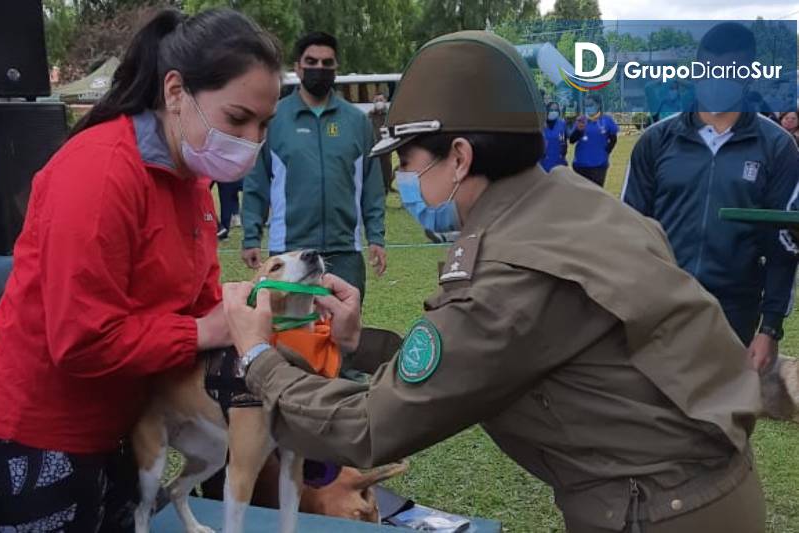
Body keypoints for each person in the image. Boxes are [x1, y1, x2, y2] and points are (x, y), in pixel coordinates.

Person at [223, 31, 765, 533]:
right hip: (705, 491)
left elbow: (370, 427)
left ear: (459, 157)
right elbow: (483, 358)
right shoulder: (575, 204)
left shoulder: (508, 271)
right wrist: (356, 343)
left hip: (657, 513)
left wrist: (257, 359)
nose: (406, 180)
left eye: (408, 161)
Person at [0, 9, 281, 531]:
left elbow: (194, 302)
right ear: (175, 91)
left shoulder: (192, 180)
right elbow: (80, 340)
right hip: (40, 433)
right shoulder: (101, 172)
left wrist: (265, 313)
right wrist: (205, 328)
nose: (250, 141)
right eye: (238, 119)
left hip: (124, 422)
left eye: (263, 125)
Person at [622, 22, 799, 370]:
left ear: (749, 75)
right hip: (660, 305)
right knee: (654, 412)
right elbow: (627, 229)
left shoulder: (778, 147)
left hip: (735, 309)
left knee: (722, 418)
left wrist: (771, 327)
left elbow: (784, 242)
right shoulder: (656, 141)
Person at [241, 31, 387, 300]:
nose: (319, 68)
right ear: (297, 67)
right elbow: (256, 181)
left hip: (344, 251)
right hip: (289, 250)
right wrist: (251, 236)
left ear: (335, 68)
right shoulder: (275, 119)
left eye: (327, 63)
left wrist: (376, 236)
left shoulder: (357, 122)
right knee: (288, 331)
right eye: (312, 61)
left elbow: (372, 185)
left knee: (342, 332)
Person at [569, 94, 618, 187]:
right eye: (586, 105)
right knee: (582, 195)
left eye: (591, 105)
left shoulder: (607, 120)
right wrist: (578, 131)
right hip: (580, 165)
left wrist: (606, 151)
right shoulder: (581, 120)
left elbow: (613, 139)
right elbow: (572, 140)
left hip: (599, 166)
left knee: (596, 195)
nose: (588, 108)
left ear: (598, 105)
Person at [369, 93, 395, 194]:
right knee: (374, 169)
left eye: (381, 100)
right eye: (376, 100)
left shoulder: (389, 115)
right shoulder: (369, 115)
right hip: (373, 147)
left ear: (385, 101)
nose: (379, 102)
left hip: (386, 146)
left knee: (386, 168)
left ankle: (387, 186)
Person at [540, 101, 567, 171]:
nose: (554, 112)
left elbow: (563, 142)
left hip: (558, 163)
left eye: (556, 110)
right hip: (543, 164)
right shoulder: (541, 124)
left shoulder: (562, 124)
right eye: (551, 110)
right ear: (547, 110)